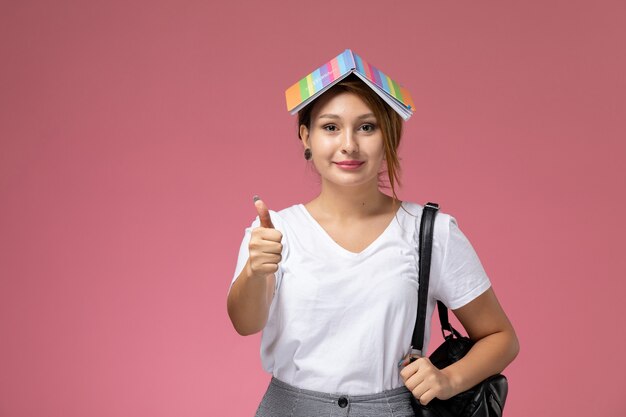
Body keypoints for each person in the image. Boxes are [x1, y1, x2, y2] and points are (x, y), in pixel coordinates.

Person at [227, 61, 519, 417]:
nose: (348, 144)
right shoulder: (274, 232)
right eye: (330, 127)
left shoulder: (431, 232)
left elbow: (501, 337)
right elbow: (245, 324)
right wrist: (256, 271)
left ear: (389, 136)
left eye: (367, 127)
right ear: (306, 136)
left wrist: (449, 380)